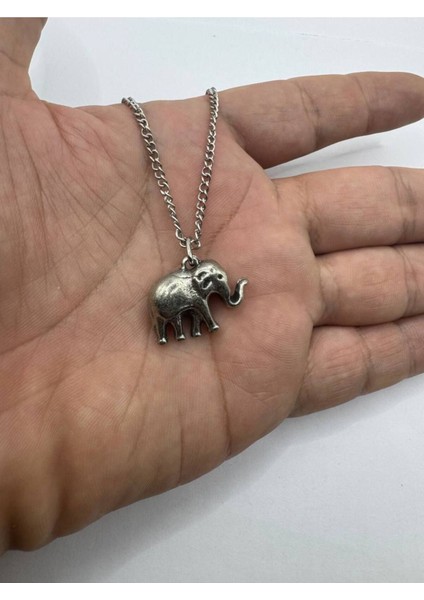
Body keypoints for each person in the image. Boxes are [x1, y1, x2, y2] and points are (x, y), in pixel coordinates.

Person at [1, 17, 424, 553]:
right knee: (179, 320)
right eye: (217, 286)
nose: (220, 292)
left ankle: (171, 332)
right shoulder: (195, 286)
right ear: (206, 280)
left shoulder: (198, 281)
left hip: (171, 300)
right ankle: (170, 331)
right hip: (169, 301)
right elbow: (204, 305)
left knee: (179, 321)